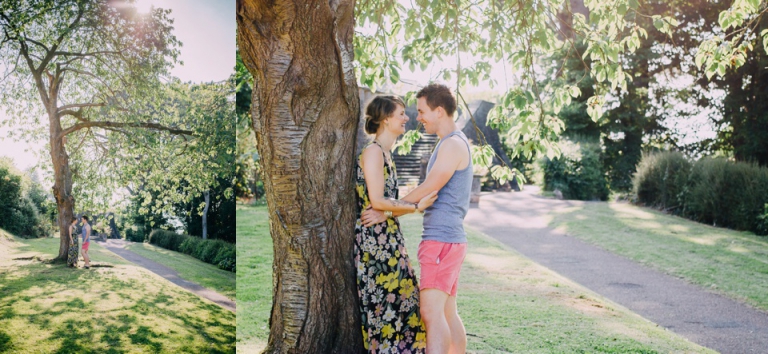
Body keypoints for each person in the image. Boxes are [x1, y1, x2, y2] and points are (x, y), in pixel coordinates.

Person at [361, 84, 472, 354]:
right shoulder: (450, 143)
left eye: (422, 111)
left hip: (442, 240)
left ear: (439, 111)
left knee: (430, 313)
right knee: (446, 311)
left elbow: (428, 188)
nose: (417, 117)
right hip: (449, 240)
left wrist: (387, 210)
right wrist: (392, 209)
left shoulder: (453, 144)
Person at [354, 94, 439, 353]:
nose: (407, 118)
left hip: (389, 239)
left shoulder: (386, 154)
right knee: (384, 311)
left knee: (404, 303)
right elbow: (378, 201)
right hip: (375, 246)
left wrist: (389, 214)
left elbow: (383, 207)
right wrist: (415, 207)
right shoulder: (373, 152)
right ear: (385, 118)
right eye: (401, 113)